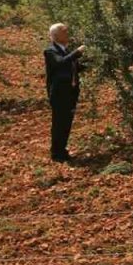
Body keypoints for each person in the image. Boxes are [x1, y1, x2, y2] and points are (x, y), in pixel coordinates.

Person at [44, 23, 85, 162]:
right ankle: (56, 153)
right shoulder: (50, 51)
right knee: (59, 124)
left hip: (70, 92)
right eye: (64, 31)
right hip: (59, 94)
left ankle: (62, 150)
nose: (67, 33)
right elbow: (60, 63)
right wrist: (77, 52)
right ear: (56, 35)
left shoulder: (66, 50)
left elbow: (75, 67)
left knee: (67, 123)